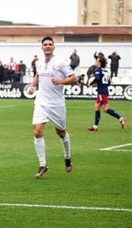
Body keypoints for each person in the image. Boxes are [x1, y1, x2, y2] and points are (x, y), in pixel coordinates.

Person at [28, 37, 77, 179]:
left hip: (57, 104)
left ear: (54, 47)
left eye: (50, 44)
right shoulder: (38, 63)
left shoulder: (60, 62)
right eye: (45, 44)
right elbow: (38, 76)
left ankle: (67, 157)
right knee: (37, 132)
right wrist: (32, 86)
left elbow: (73, 78)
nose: (48, 46)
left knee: (61, 133)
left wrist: (61, 81)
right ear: (42, 47)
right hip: (41, 102)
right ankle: (43, 165)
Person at [87, 56, 126, 131]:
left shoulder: (98, 69)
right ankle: (95, 127)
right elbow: (108, 83)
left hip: (101, 92)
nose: (95, 62)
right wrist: (99, 85)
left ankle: (121, 119)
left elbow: (97, 78)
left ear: (99, 63)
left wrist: (90, 83)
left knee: (105, 109)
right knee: (97, 108)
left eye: (97, 61)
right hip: (104, 91)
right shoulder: (106, 71)